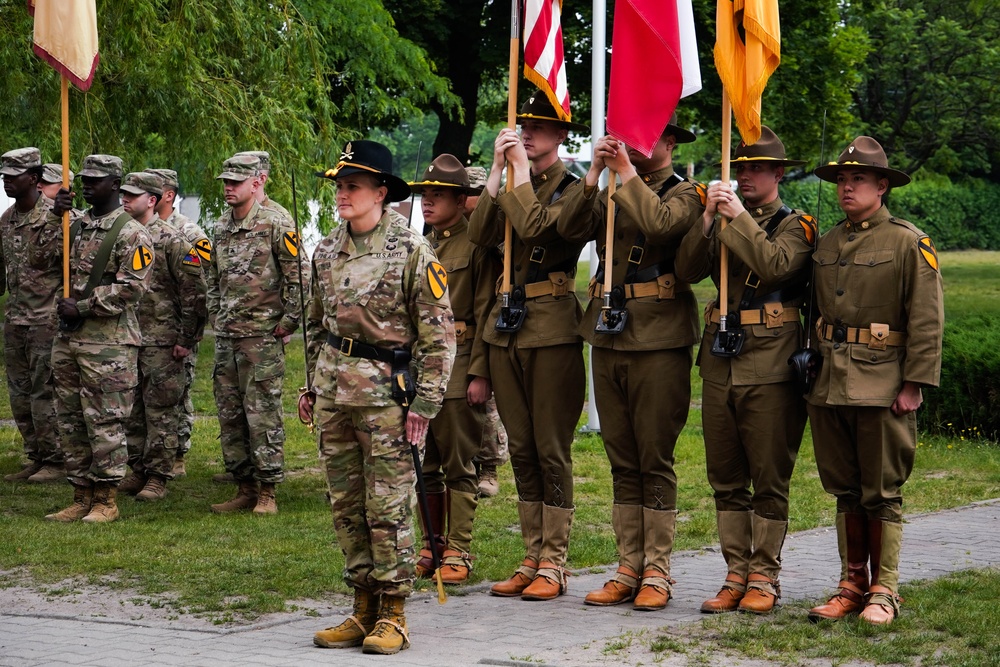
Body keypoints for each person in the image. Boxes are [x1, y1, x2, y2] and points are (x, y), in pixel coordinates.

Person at [303, 140, 454, 654]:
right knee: (345, 504)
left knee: (386, 506)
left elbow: (438, 335)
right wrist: (310, 384)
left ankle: (393, 611)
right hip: (334, 395)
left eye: (353, 186)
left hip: (388, 400)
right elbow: (316, 324)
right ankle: (361, 605)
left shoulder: (411, 251)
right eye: (340, 186)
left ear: (381, 192)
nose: (342, 194)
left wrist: (426, 405)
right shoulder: (326, 249)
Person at [557, 121, 704, 611]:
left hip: (659, 338)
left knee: (653, 456)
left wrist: (624, 173)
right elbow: (569, 229)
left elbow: (661, 224)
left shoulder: (688, 193)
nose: (636, 146)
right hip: (608, 331)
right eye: (631, 138)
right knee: (622, 456)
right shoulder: (613, 186)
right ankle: (627, 566)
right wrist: (595, 172)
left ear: (670, 145)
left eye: (649, 138)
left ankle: (657, 570)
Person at [675, 127, 814, 614]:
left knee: (769, 476)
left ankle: (764, 576)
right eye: (740, 168)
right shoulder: (724, 217)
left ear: (778, 173)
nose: (746, 176)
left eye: (756, 168)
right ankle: (735, 572)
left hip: (772, 364)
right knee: (726, 476)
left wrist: (736, 218)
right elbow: (688, 269)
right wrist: (709, 218)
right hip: (721, 359)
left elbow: (775, 266)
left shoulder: (797, 225)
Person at [805, 136, 943, 625]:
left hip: (883, 383)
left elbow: (926, 320)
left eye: (857, 179)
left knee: (881, 490)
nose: (846, 187)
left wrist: (915, 384)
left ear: (882, 186)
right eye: (842, 179)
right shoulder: (828, 241)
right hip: (829, 385)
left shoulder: (908, 241)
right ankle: (851, 584)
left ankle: (884, 589)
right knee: (845, 488)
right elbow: (816, 314)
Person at [468, 92, 588, 601]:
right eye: (525, 125)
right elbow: (478, 236)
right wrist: (496, 171)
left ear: (562, 135)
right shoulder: (515, 178)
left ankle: (554, 561)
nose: (529, 132)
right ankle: (531, 551)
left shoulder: (576, 190)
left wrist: (516, 171)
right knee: (519, 447)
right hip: (506, 328)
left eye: (542, 126)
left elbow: (543, 227)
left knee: (550, 449)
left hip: (552, 329)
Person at [38, 154, 154, 523]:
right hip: (70, 340)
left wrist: (84, 307)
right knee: (70, 419)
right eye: (84, 178)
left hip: (109, 345)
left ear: (115, 185)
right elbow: (41, 260)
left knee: (104, 421)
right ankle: (80, 494)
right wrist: (55, 219)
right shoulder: (76, 224)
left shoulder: (132, 233)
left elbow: (131, 290)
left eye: (96, 180)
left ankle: (105, 498)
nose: (86, 185)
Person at [408, 154, 498, 584]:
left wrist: (481, 372)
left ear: (462, 200)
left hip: (461, 362)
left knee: (461, 464)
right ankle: (432, 544)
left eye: (438, 195)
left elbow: (485, 311)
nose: (428, 202)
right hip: (423, 366)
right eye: (425, 194)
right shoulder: (421, 245)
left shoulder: (477, 247)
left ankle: (459, 550)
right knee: (425, 462)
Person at [207, 154, 301, 515]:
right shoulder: (221, 225)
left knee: (261, 413)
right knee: (230, 414)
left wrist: (288, 323)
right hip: (228, 335)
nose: (228, 188)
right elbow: (213, 278)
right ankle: (243, 486)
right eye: (225, 182)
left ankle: (267, 491)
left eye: (235, 182)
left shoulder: (277, 223)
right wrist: (216, 315)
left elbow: (297, 277)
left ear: (257, 182)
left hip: (261, 337)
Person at [119, 171, 206, 501]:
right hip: (129, 336)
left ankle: (158, 475)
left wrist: (186, 338)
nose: (124, 200)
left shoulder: (174, 240)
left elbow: (195, 293)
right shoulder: (123, 236)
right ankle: (138, 469)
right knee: (133, 409)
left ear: (152, 201)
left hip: (162, 339)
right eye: (123, 194)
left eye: (132, 195)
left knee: (161, 410)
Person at [0, 148, 64, 483]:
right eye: (4, 176)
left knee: (45, 392)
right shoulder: (6, 220)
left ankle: (55, 459)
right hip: (16, 321)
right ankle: (36, 455)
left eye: (14, 176)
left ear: (35, 179)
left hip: (47, 321)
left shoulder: (59, 216)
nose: (7, 181)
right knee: (19, 392)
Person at [145, 167, 211, 479]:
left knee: (177, 392)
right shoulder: (137, 227)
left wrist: (188, 332)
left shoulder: (189, 233)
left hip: (175, 325)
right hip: (146, 327)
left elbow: (199, 282)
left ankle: (178, 452)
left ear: (168, 195)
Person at [463, 165, 509, 498]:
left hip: (493, 314)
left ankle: (489, 465)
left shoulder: (495, 227)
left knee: (486, 405)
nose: (472, 200)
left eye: (478, 193)